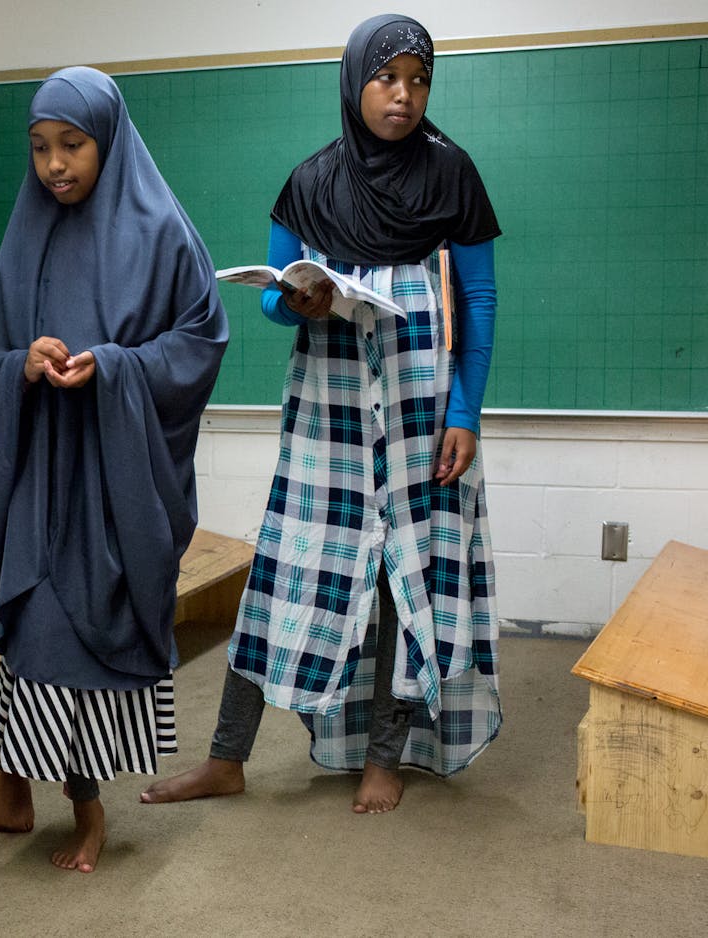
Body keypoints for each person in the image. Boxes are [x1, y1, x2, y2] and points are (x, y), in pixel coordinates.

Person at [142, 13, 503, 815]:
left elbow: (476, 298)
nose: (402, 97)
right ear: (354, 82)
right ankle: (227, 756)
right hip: (329, 407)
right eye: (386, 79)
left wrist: (467, 410)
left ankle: (386, 755)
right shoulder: (310, 180)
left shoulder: (454, 175)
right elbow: (273, 297)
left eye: (418, 81)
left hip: (422, 405)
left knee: (406, 576)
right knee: (286, 565)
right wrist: (295, 303)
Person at [0, 67, 228, 873]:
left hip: (117, 483)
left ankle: (85, 801)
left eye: (72, 145)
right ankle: (25, 775)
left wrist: (112, 366)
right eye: (40, 147)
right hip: (42, 472)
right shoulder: (25, 228)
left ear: (108, 140)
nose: (54, 164)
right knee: (34, 624)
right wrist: (26, 363)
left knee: (93, 632)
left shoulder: (162, 233)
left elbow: (201, 342)